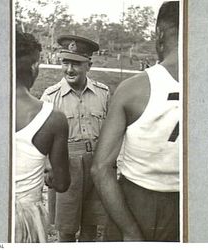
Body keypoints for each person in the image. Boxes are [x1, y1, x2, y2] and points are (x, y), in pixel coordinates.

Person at [91, 1, 180, 242]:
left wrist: (130, 233)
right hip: (189, 205)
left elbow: (100, 169)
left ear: (159, 34)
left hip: (136, 204)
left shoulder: (134, 88)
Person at [41, 35, 110, 242]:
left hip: (96, 164)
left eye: (77, 64)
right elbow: (40, 137)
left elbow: (110, 131)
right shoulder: (50, 96)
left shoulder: (103, 93)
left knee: (91, 223)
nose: (69, 69)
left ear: (89, 65)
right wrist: (48, 166)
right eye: (66, 62)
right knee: (67, 227)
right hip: (65, 164)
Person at [15, 31, 70, 243]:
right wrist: (47, 175)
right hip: (27, 219)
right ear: (34, 67)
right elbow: (63, 183)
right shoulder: (53, 118)